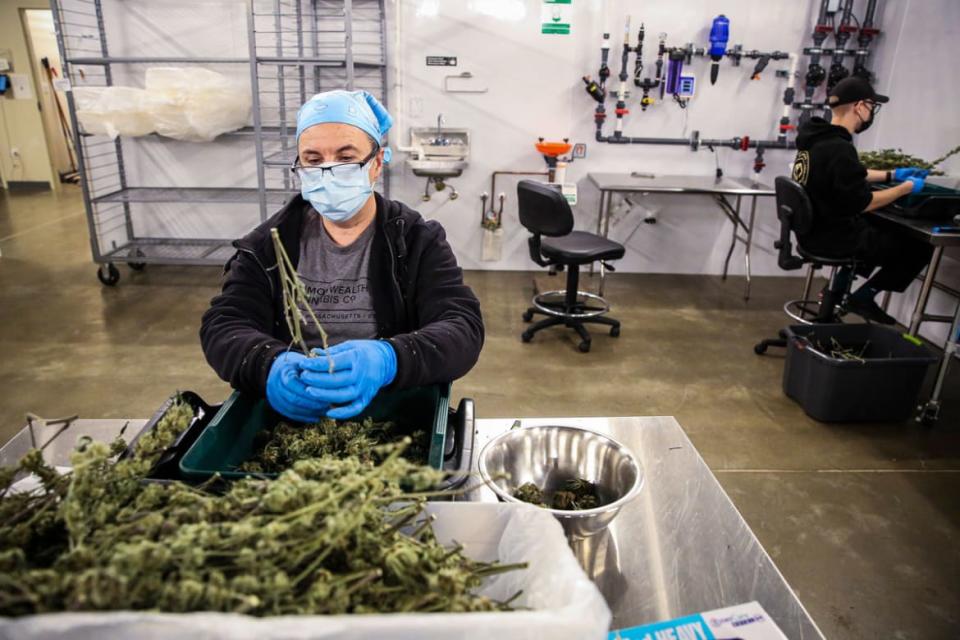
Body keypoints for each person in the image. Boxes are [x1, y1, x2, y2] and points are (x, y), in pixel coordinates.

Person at [200, 90, 483, 422]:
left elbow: (462, 326)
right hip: (299, 407)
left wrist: (390, 359)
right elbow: (224, 324)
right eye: (314, 160)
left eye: (346, 158)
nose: (329, 172)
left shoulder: (416, 240)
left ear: (377, 164)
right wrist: (268, 364)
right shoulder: (267, 244)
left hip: (388, 409)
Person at [792, 76, 933, 324]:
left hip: (813, 232)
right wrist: (907, 187)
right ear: (859, 106)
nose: (871, 112)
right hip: (833, 239)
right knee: (918, 248)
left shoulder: (817, 141)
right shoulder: (839, 148)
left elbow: (849, 174)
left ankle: (835, 292)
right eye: (871, 105)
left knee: (875, 228)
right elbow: (863, 202)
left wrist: (892, 175)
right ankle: (864, 297)